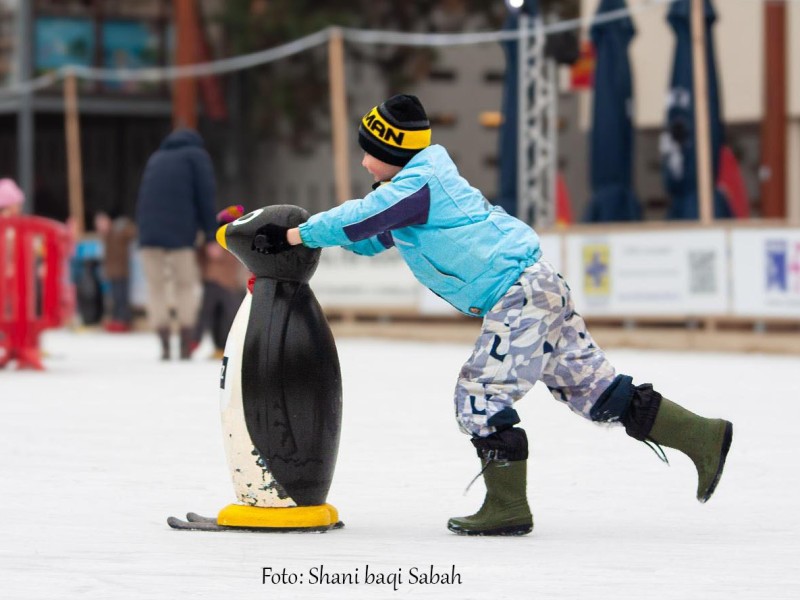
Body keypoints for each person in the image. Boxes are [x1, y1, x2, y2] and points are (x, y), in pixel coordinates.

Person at [256, 94, 733, 536]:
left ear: (393, 152)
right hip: (538, 286)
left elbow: (358, 217)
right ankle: (703, 437)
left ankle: (507, 507)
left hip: (519, 295)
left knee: (479, 395)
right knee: (596, 392)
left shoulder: (417, 184)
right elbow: (367, 236)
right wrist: (308, 238)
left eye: (369, 151)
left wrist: (293, 236)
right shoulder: (417, 188)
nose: (362, 161)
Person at [136, 128, 219, 360]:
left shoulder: (156, 157)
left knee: (156, 287)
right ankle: (184, 343)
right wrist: (212, 236)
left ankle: (163, 342)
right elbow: (205, 196)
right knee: (185, 285)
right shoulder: (196, 156)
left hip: (148, 235)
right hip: (181, 235)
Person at [192, 205, 247, 359]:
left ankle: (205, 344)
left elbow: (200, 257)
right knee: (221, 316)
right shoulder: (224, 239)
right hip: (221, 283)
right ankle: (210, 345)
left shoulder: (215, 239)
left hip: (225, 283)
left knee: (215, 316)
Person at [95, 210, 137, 332]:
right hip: (112, 272)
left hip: (121, 271)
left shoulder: (118, 232)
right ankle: (118, 319)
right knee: (115, 298)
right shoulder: (106, 236)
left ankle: (124, 320)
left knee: (121, 297)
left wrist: (126, 225)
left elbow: (132, 233)